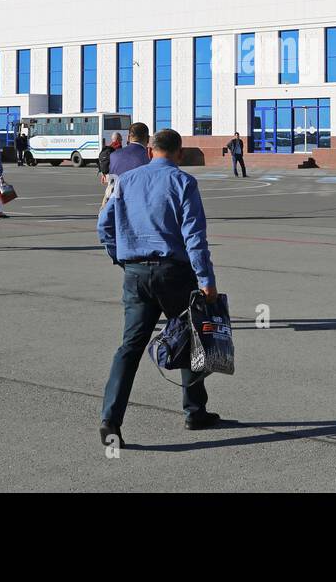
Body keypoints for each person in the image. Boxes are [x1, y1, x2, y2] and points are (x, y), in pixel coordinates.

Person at [98, 128, 221, 446]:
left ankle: (110, 420)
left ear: (150, 151)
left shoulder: (125, 180)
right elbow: (194, 236)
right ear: (179, 153)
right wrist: (206, 281)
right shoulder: (183, 182)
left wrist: (120, 257)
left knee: (129, 347)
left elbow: (104, 224)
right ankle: (194, 411)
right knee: (193, 339)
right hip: (174, 274)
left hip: (136, 273)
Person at [97, 132, 121, 207]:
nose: (122, 140)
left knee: (109, 190)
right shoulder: (118, 147)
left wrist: (103, 175)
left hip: (107, 173)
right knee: (110, 192)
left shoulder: (108, 148)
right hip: (114, 174)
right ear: (118, 139)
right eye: (121, 138)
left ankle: (104, 207)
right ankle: (103, 208)